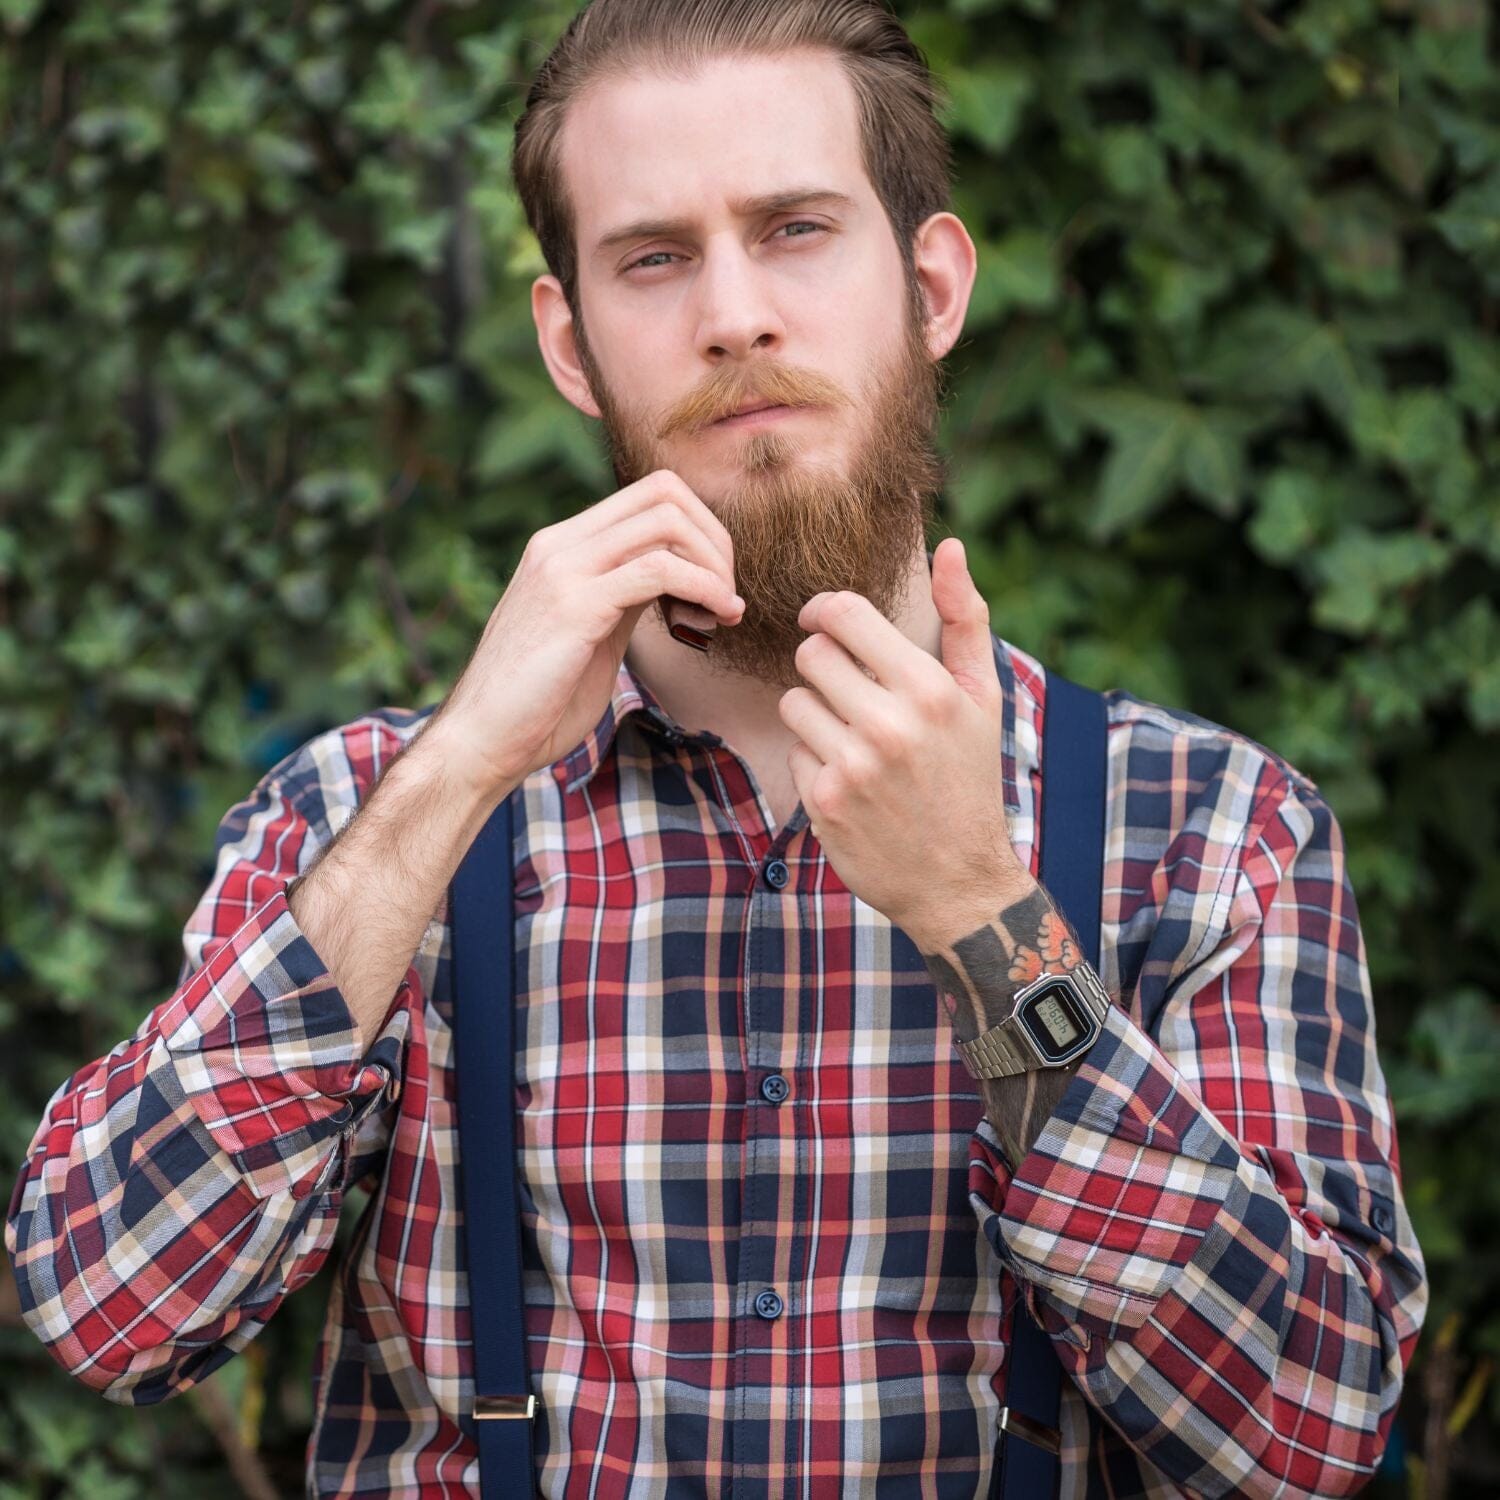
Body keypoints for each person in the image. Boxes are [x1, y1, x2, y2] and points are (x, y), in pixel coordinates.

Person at [5, 1, 1427, 1496]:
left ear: (932, 286)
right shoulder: (366, 817)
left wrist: (984, 921)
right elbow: (108, 1308)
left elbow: (1313, 1434)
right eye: (655, 257)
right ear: (570, 344)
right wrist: (455, 773)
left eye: (797, 228)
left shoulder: (1212, 831)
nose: (733, 315)